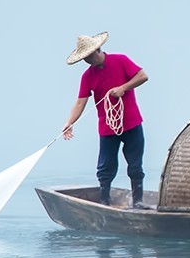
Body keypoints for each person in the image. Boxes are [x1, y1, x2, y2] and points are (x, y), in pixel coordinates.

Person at [61, 32, 149, 208]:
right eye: (84, 58)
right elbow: (80, 102)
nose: (87, 61)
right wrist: (69, 123)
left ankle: (138, 202)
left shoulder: (120, 60)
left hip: (131, 123)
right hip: (108, 127)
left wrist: (123, 87)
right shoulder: (87, 76)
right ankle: (104, 201)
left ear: (98, 50)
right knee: (105, 167)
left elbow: (142, 76)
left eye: (89, 56)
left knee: (135, 165)